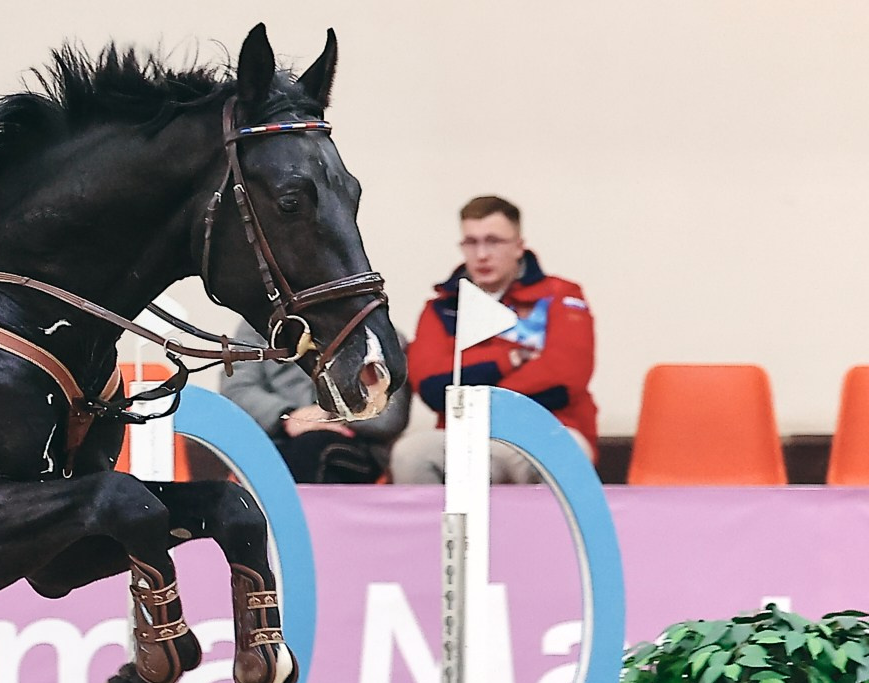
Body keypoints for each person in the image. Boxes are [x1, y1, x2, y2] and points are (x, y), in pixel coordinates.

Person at [391, 195, 598, 484]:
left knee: (569, 451)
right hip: (466, 435)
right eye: (471, 242)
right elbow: (431, 386)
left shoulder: (561, 296)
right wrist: (509, 359)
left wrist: (474, 389)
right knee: (410, 454)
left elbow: (565, 379)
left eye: (494, 241)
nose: (482, 254)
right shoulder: (441, 307)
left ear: (518, 246)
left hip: (546, 429)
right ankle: (434, 531)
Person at [219, 313, 410, 482]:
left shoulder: (377, 335)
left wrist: (328, 415)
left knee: (311, 449)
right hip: (276, 436)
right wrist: (288, 415)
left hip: (356, 446)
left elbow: (390, 418)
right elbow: (236, 389)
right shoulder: (259, 326)